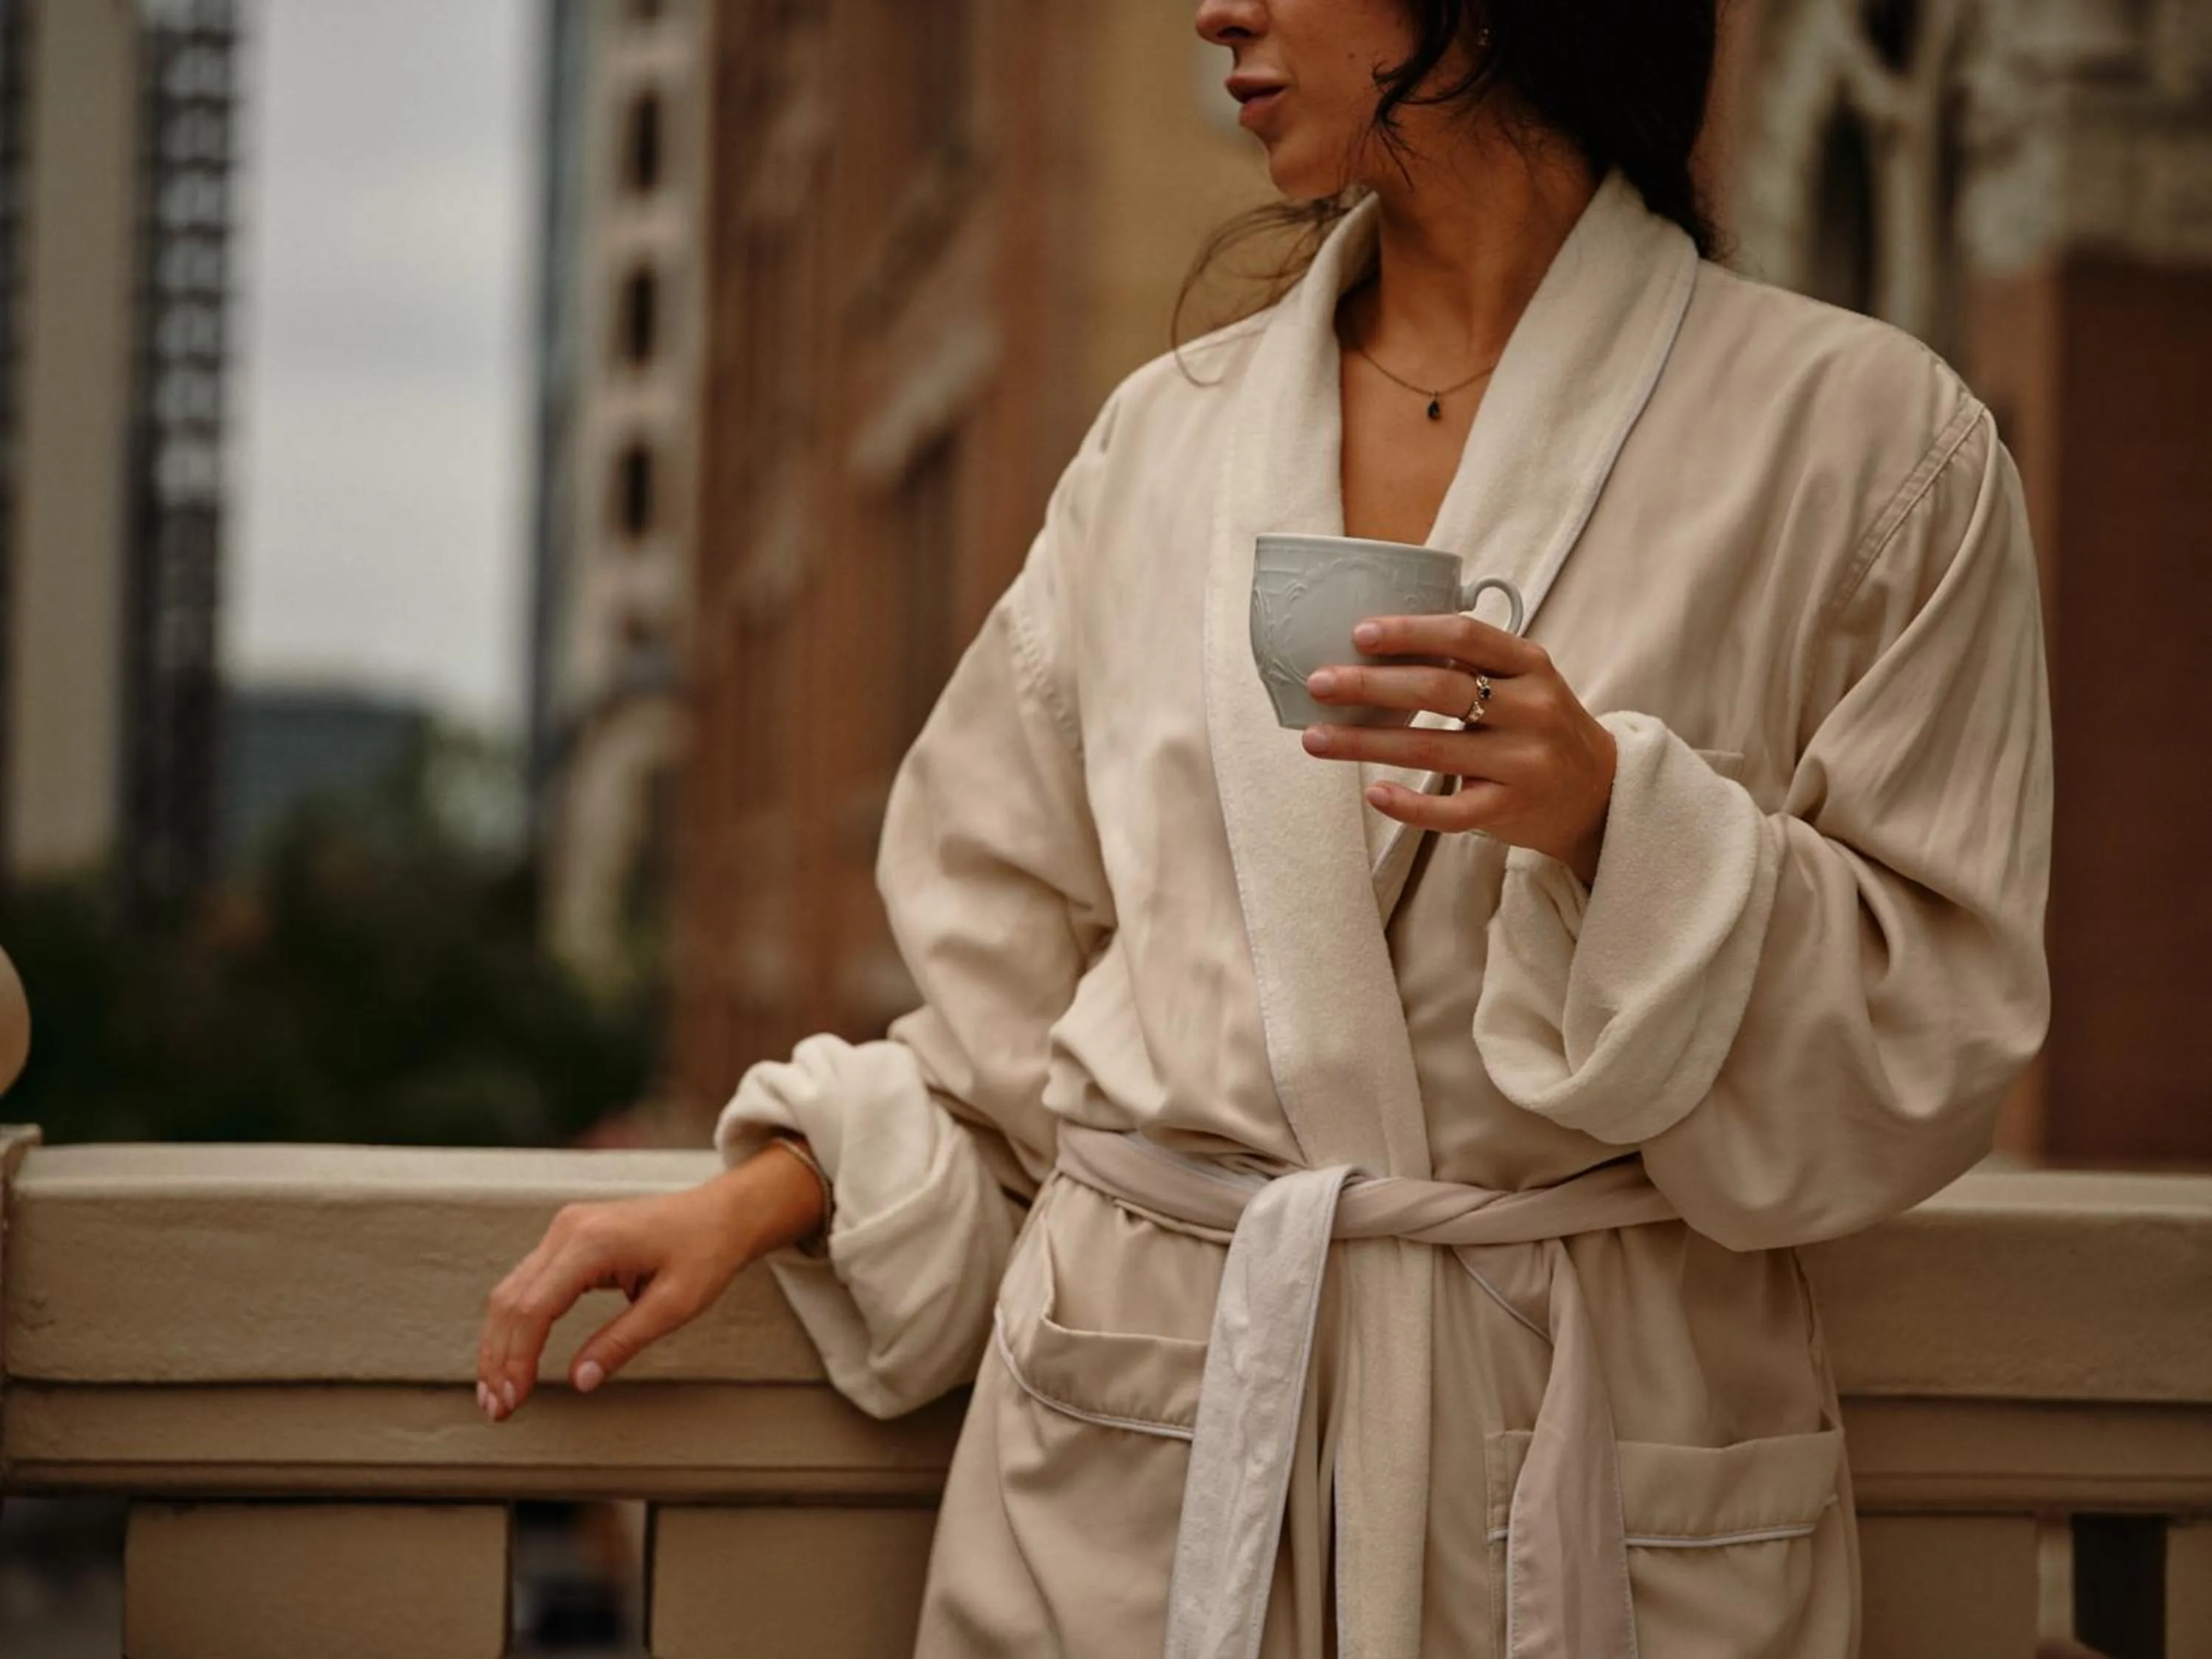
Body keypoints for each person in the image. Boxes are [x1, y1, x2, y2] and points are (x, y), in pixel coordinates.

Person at [477, 1, 2053, 1653]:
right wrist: (779, 1184)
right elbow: (1013, 1011)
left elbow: (1933, 1021)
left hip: (1588, 1456)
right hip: (1140, 1452)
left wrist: (1617, 825)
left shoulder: (1871, 445)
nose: (1217, 7)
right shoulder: (1159, 444)